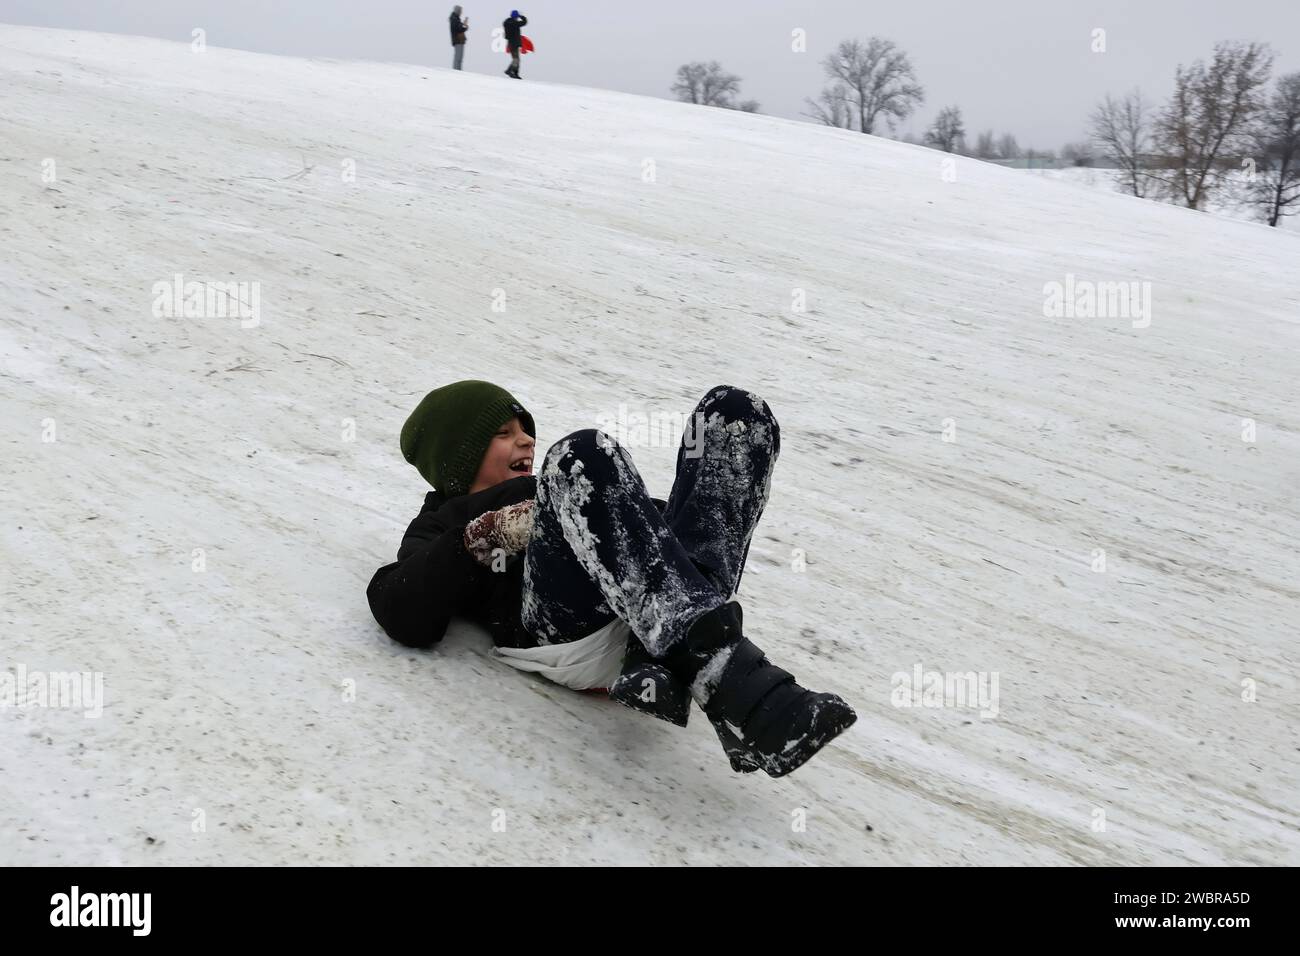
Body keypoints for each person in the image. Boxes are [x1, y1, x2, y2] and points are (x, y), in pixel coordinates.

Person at [366, 380, 857, 777]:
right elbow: (399, 608)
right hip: (565, 631)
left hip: (649, 615)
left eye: (524, 429)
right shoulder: (441, 521)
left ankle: (667, 656)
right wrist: (484, 536)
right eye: (503, 433)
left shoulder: (554, 487)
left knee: (732, 412)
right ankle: (733, 686)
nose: (525, 439)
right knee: (580, 453)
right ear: (459, 456)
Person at [502, 9, 527, 79]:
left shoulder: (507, 22)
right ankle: (509, 70)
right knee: (516, 59)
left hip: (510, 42)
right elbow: (525, 22)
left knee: (516, 58)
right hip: (515, 43)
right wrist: (521, 16)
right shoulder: (515, 23)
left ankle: (515, 73)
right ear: (516, 16)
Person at [449, 6, 468, 70]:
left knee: (459, 57)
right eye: (460, 11)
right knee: (458, 57)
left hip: (458, 40)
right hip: (458, 40)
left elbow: (458, 27)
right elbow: (458, 29)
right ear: (458, 11)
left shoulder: (455, 18)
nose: (461, 12)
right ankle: (457, 70)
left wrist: (463, 25)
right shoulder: (454, 19)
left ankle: (458, 70)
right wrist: (465, 27)